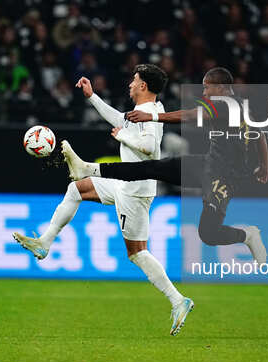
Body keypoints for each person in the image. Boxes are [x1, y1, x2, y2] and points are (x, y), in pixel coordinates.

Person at [12, 64, 193, 336]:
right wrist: (92, 96)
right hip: (123, 183)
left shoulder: (154, 114)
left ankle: (178, 300)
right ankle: (44, 244)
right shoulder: (140, 113)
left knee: (137, 253)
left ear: (143, 85)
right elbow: (119, 119)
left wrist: (124, 137)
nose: (130, 84)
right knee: (77, 189)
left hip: (136, 190)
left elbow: (148, 148)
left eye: (134, 80)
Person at [61, 67, 268, 265]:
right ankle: (88, 169)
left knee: (208, 234)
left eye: (207, 87)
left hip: (224, 177)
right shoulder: (244, 105)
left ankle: (247, 235)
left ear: (221, 88)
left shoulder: (224, 103)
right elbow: (259, 135)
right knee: (151, 168)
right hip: (207, 163)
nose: (204, 92)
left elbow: (190, 115)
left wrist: (152, 116)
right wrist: (264, 166)